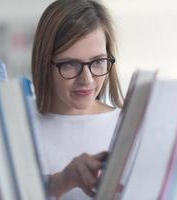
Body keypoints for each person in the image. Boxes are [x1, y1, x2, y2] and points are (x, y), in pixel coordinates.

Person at [31, 0, 124, 199]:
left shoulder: (127, 127)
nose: (87, 80)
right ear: (45, 64)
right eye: (70, 65)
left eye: (98, 62)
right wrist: (62, 181)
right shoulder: (17, 126)